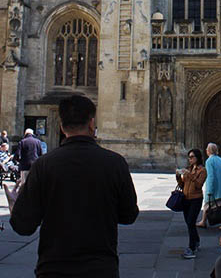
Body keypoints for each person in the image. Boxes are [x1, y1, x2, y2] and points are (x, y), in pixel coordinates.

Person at [9, 94, 139, 277]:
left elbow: (23, 226)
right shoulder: (115, 163)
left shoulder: (44, 165)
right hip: (100, 269)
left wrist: (15, 206)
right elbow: (129, 215)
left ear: (62, 127)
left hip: (54, 269)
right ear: (92, 124)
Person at [177, 148, 206, 259]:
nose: (190, 159)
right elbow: (182, 185)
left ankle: (191, 248)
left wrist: (189, 175)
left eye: (192, 157)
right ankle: (197, 240)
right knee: (189, 223)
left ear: (197, 158)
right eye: (189, 157)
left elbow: (199, 185)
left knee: (190, 222)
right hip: (186, 198)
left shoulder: (202, 170)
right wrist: (178, 176)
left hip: (196, 199)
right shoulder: (189, 169)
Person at [197, 143, 221, 230]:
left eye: (206, 149)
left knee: (207, 205)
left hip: (216, 188)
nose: (206, 150)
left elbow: (211, 176)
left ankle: (203, 221)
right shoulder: (220, 159)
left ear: (209, 151)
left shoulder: (209, 161)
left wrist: (209, 190)